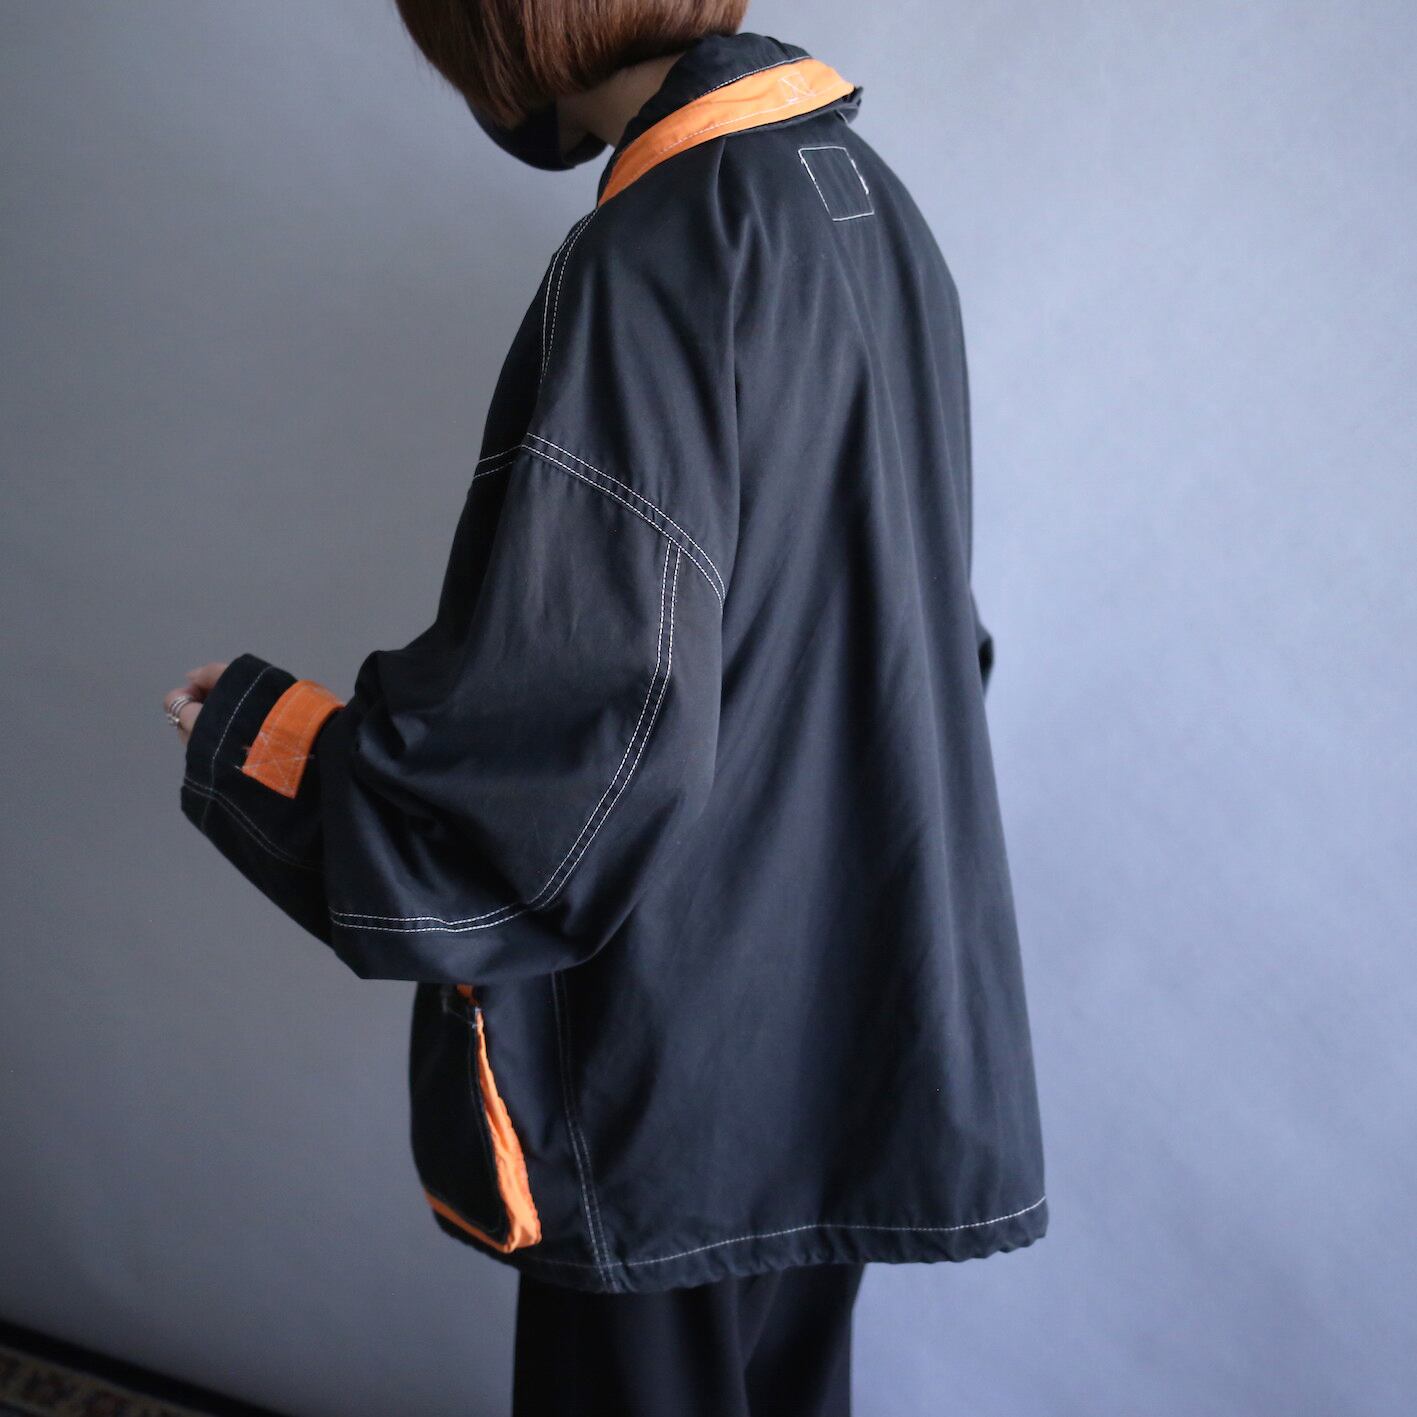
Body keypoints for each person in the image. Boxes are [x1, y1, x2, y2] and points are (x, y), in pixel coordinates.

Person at [162, 4, 1048, 1413]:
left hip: (681, 1038)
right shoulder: (866, 202)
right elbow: (920, 638)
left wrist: (280, 750)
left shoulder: (661, 244)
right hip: (849, 987)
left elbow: (584, 722)